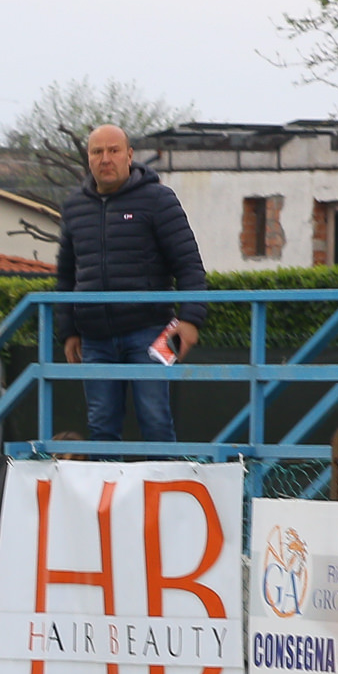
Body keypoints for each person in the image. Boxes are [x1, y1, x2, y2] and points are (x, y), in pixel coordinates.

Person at [53, 124, 207, 445]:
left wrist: (191, 319)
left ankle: (163, 479)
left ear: (129, 155)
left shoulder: (159, 199)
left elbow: (188, 263)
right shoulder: (74, 206)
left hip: (151, 331)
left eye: (114, 150)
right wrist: (68, 331)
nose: (105, 159)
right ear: (88, 158)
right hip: (94, 337)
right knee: (101, 426)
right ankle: (107, 481)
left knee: (156, 420)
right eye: (97, 152)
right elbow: (66, 274)